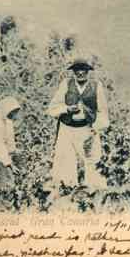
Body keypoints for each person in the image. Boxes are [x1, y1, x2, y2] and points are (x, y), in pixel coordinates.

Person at [47, 58, 109, 193]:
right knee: (65, 159)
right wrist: (67, 109)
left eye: (84, 70)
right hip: (67, 128)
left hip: (87, 128)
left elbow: (102, 111)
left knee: (90, 159)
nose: (80, 73)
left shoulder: (96, 85)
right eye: (77, 70)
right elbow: (52, 108)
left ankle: (89, 191)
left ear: (88, 72)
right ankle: (67, 189)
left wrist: (96, 128)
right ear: (73, 72)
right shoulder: (66, 84)